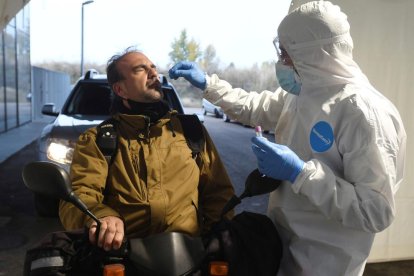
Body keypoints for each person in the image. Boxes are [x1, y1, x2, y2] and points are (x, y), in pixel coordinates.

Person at [168, 1, 407, 275]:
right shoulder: (302, 92)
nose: (281, 61)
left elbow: (374, 211)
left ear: (314, 54)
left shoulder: (363, 113)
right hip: (283, 249)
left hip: (326, 262)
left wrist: (300, 173)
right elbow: (254, 107)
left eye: (286, 53)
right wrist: (209, 85)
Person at [59, 48, 235, 252]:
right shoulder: (99, 140)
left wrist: (218, 237)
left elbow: (219, 192)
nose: (153, 74)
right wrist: (101, 215)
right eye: (140, 70)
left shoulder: (190, 130)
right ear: (120, 90)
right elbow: (78, 196)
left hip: (189, 254)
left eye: (153, 68)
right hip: (125, 256)